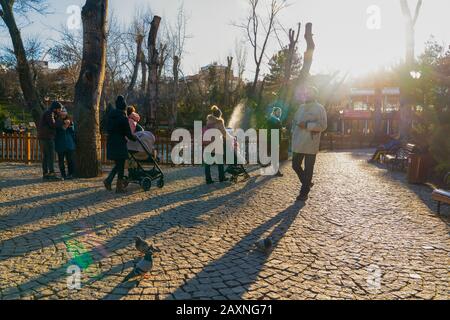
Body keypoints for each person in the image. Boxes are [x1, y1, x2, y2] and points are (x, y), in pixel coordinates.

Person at [291, 86, 327, 202]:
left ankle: (304, 192)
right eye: (306, 93)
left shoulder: (320, 108)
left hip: (311, 143)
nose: (307, 94)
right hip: (298, 143)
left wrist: (307, 126)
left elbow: (323, 125)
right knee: (295, 165)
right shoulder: (300, 107)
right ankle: (307, 182)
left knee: (308, 168)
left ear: (315, 94)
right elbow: (295, 122)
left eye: (310, 93)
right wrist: (293, 133)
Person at [103, 96, 137, 193]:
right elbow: (128, 134)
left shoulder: (110, 116)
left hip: (111, 142)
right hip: (120, 143)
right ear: (124, 107)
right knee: (120, 165)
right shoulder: (123, 118)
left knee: (118, 164)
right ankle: (118, 187)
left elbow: (107, 129)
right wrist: (135, 138)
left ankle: (109, 181)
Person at [37, 101, 63, 181]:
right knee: (51, 156)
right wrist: (61, 120)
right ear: (55, 108)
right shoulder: (50, 113)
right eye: (59, 109)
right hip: (48, 137)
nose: (60, 111)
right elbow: (53, 124)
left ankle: (45, 174)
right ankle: (51, 174)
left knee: (46, 156)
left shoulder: (48, 113)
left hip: (43, 137)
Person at [204, 105, 228, 184]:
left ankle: (208, 179)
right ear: (219, 115)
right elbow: (224, 133)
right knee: (220, 162)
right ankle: (222, 177)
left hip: (208, 144)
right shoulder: (219, 122)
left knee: (207, 163)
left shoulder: (208, 121)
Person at [55, 109, 76, 180]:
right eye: (62, 114)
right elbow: (60, 130)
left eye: (64, 114)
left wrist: (70, 125)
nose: (63, 115)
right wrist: (65, 124)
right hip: (60, 144)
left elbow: (73, 131)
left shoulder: (70, 121)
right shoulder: (57, 121)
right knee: (61, 161)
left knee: (70, 160)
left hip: (69, 144)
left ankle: (70, 174)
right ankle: (63, 175)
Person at [266, 107, 284, 177]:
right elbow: (272, 129)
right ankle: (276, 171)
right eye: (278, 112)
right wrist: (281, 129)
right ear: (274, 112)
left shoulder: (276, 119)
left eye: (280, 112)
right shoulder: (272, 119)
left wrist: (281, 129)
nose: (279, 113)